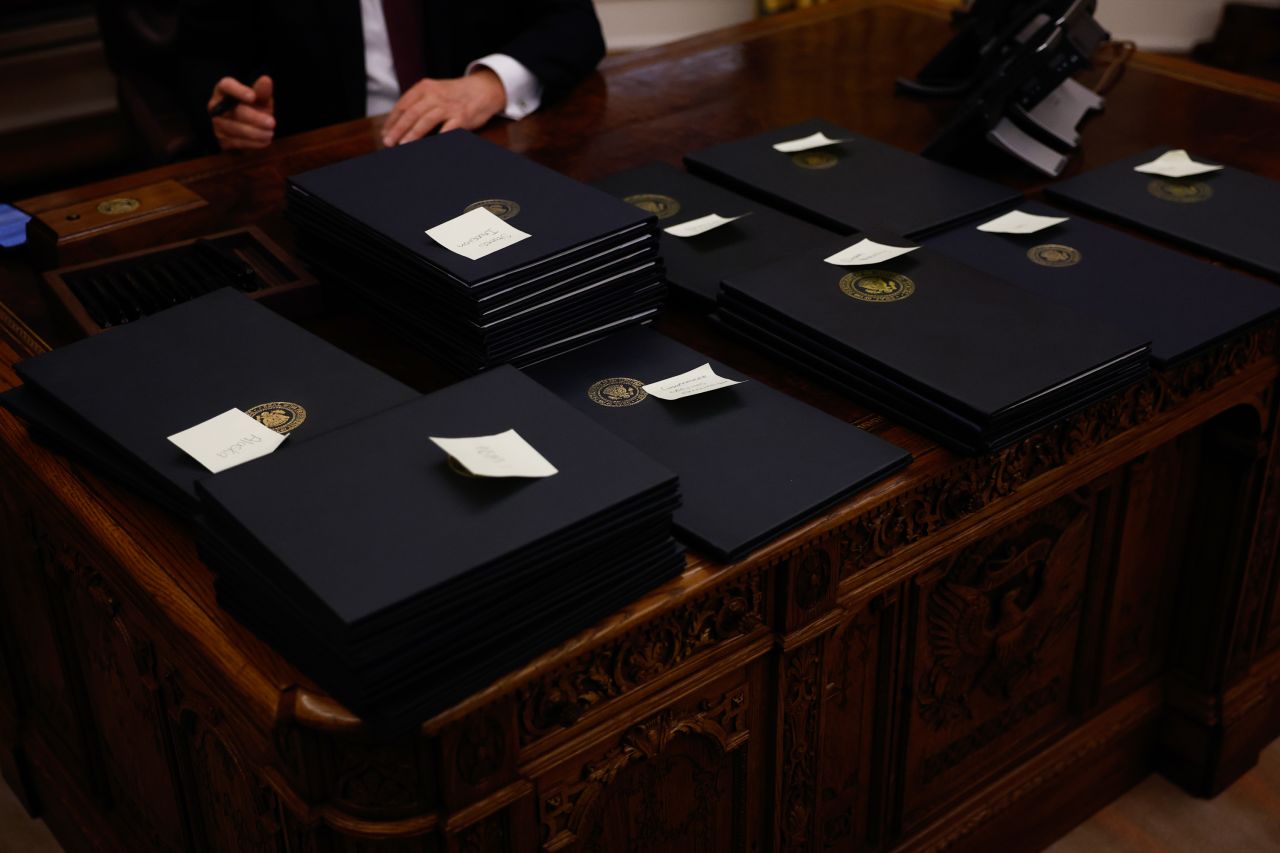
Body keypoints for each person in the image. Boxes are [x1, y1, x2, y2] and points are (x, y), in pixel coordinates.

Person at [177, 0, 605, 152]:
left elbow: (575, 22)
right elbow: (200, 55)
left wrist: (489, 84)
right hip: (316, 155)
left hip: (480, 144)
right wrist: (226, 112)